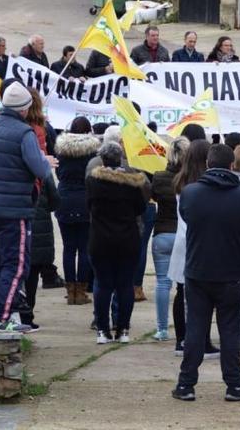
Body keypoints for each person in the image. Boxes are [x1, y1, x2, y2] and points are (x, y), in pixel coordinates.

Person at [174, 144, 240, 402]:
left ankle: (186, 384)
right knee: (230, 330)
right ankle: (234, 385)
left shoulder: (190, 193)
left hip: (198, 270)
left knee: (196, 328)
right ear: (231, 165)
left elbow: (187, 219)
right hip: (231, 270)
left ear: (208, 164)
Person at [0, 80, 56, 332]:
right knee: (16, 264)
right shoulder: (24, 133)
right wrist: (46, 160)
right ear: (24, 109)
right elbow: (40, 170)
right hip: (14, 208)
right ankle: (2, 316)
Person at [87, 141, 149, 343]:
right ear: (120, 158)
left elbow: (88, 204)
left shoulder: (93, 182)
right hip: (127, 238)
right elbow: (141, 208)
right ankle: (123, 330)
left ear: (102, 159)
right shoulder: (131, 183)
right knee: (125, 285)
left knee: (103, 284)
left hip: (100, 239)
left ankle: (102, 331)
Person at [167, 139, 222, 358]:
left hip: (183, 238)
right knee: (203, 294)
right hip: (199, 240)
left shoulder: (181, 180)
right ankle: (202, 340)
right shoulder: (205, 184)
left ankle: (182, 339)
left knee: (182, 292)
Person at [55, 118, 101, 305]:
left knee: (68, 248)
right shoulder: (92, 151)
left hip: (64, 198)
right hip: (85, 199)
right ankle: (81, 291)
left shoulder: (62, 150)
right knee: (83, 248)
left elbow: (58, 173)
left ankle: (70, 290)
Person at [149, 137, 190, 341]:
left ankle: (162, 328)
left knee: (163, 283)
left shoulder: (158, 177)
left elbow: (154, 197)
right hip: (185, 235)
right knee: (186, 286)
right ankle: (188, 327)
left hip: (163, 232)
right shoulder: (192, 180)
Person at [20, 172, 59, 332]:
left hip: (17, 222)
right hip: (39, 226)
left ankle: (17, 312)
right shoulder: (42, 171)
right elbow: (55, 201)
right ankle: (27, 314)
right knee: (32, 275)